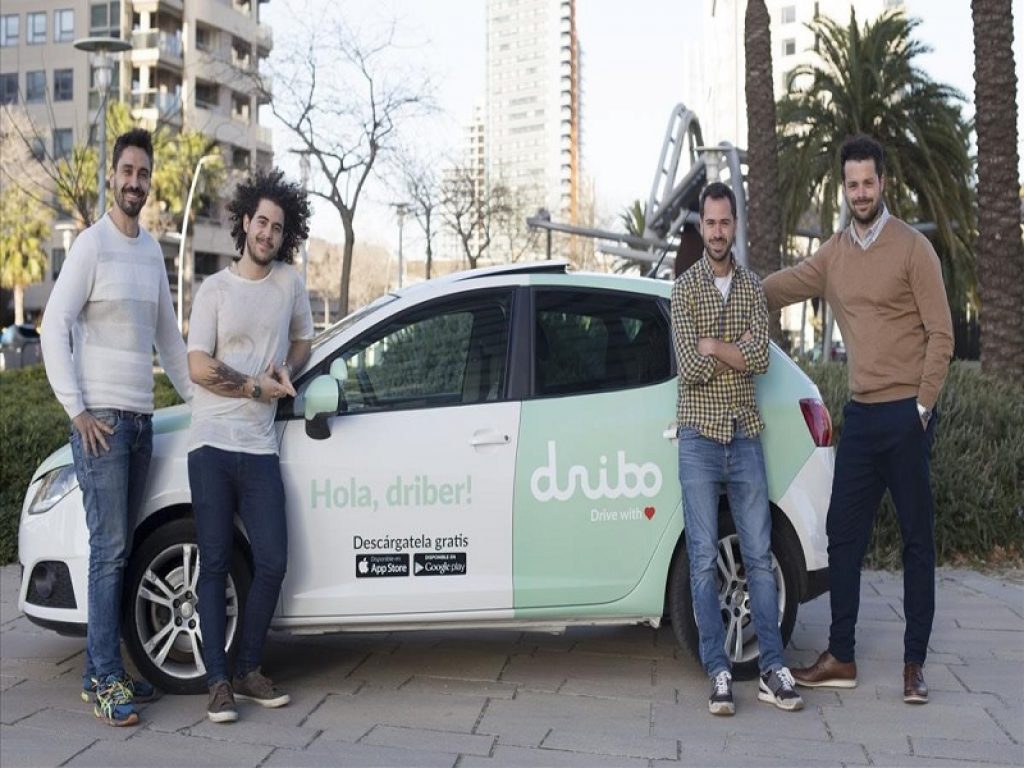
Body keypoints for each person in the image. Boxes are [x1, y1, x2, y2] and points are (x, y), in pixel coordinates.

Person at [763, 135, 953, 704]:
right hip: (862, 417)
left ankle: (914, 664)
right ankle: (841, 655)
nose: (861, 192)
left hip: (907, 416)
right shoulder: (834, 255)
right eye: (852, 184)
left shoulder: (913, 248)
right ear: (844, 189)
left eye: (869, 182)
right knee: (842, 536)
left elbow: (942, 334)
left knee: (917, 542)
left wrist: (922, 406)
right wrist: (728, 288)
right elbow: (784, 284)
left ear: (883, 183)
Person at [40, 128, 192, 727]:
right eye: (127, 171)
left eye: (143, 173)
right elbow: (53, 327)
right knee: (108, 552)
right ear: (112, 176)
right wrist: (76, 410)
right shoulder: (91, 246)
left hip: (140, 423)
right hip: (101, 424)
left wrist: (205, 405)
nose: (135, 181)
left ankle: (100, 671)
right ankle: (105, 679)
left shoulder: (151, 252)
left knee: (120, 551)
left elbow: (171, 343)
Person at [671, 181, 803, 716]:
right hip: (698, 439)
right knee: (703, 561)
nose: (718, 231)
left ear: (735, 225)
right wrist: (735, 352)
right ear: (701, 226)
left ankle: (773, 667)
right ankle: (719, 670)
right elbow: (689, 366)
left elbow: (761, 359)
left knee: (759, 559)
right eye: (711, 222)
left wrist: (714, 346)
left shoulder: (752, 288)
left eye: (725, 222)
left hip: (744, 434)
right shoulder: (684, 290)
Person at [187, 167, 314, 724]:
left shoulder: (289, 284)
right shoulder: (214, 290)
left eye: (278, 227)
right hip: (212, 444)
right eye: (261, 222)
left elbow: (304, 339)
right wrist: (253, 387)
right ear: (244, 223)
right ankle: (218, 683)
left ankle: (248, 668)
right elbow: (198, 365)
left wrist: (286, 368)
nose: (268, 233)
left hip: (260, 447)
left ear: (286, 235)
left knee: (273, 561)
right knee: (214, 563)